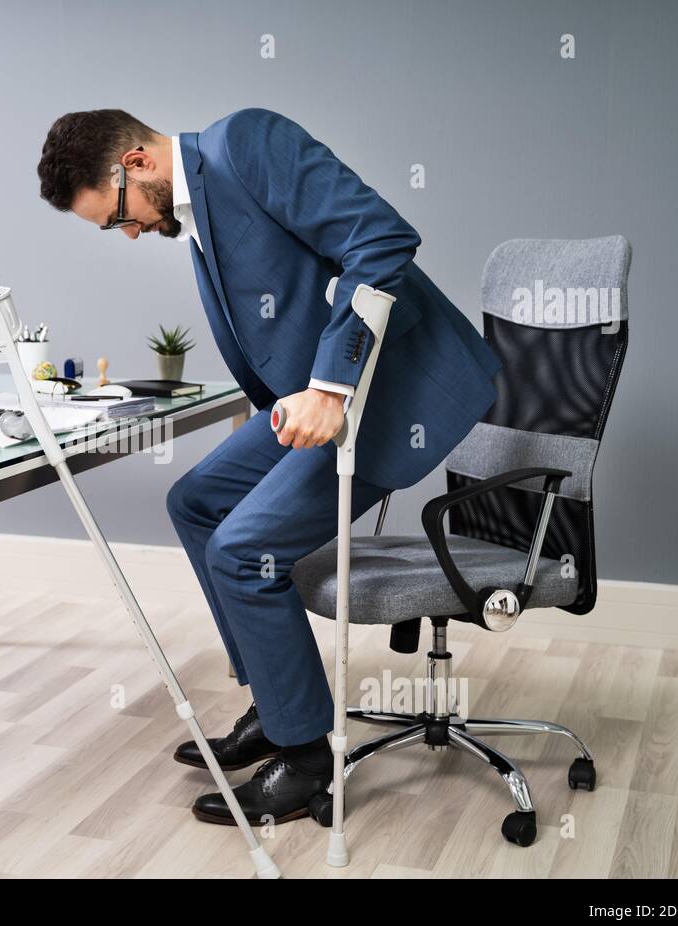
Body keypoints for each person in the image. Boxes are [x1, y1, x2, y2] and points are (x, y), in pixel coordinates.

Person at [36, 107, 500, 826]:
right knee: (195, 502)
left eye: (116, 218)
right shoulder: (192, 209)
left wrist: (329, 386)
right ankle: (277, 701)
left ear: (134, 163)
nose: (126, 234)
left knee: (243, 547)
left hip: (387, 389)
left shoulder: (245, 143)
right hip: (312, 397)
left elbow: (382, 240)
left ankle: (307, 753)